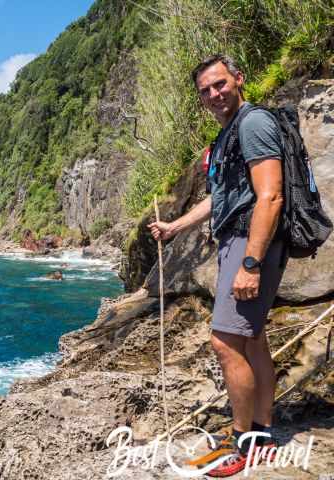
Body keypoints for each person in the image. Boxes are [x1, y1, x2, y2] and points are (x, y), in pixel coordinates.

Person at [147, 54, 286, 477]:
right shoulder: (228, 134)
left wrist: (250, 262)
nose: (213, 94)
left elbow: (271, 196)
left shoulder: (253, 124)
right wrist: (176, 226)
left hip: (251, 242)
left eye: (220, 84)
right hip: (240, 239)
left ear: (238, 79)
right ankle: (260, 436)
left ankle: (240, 442)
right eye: (205, 90)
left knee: (225, 344)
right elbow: (222, 197)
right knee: (253, 340)